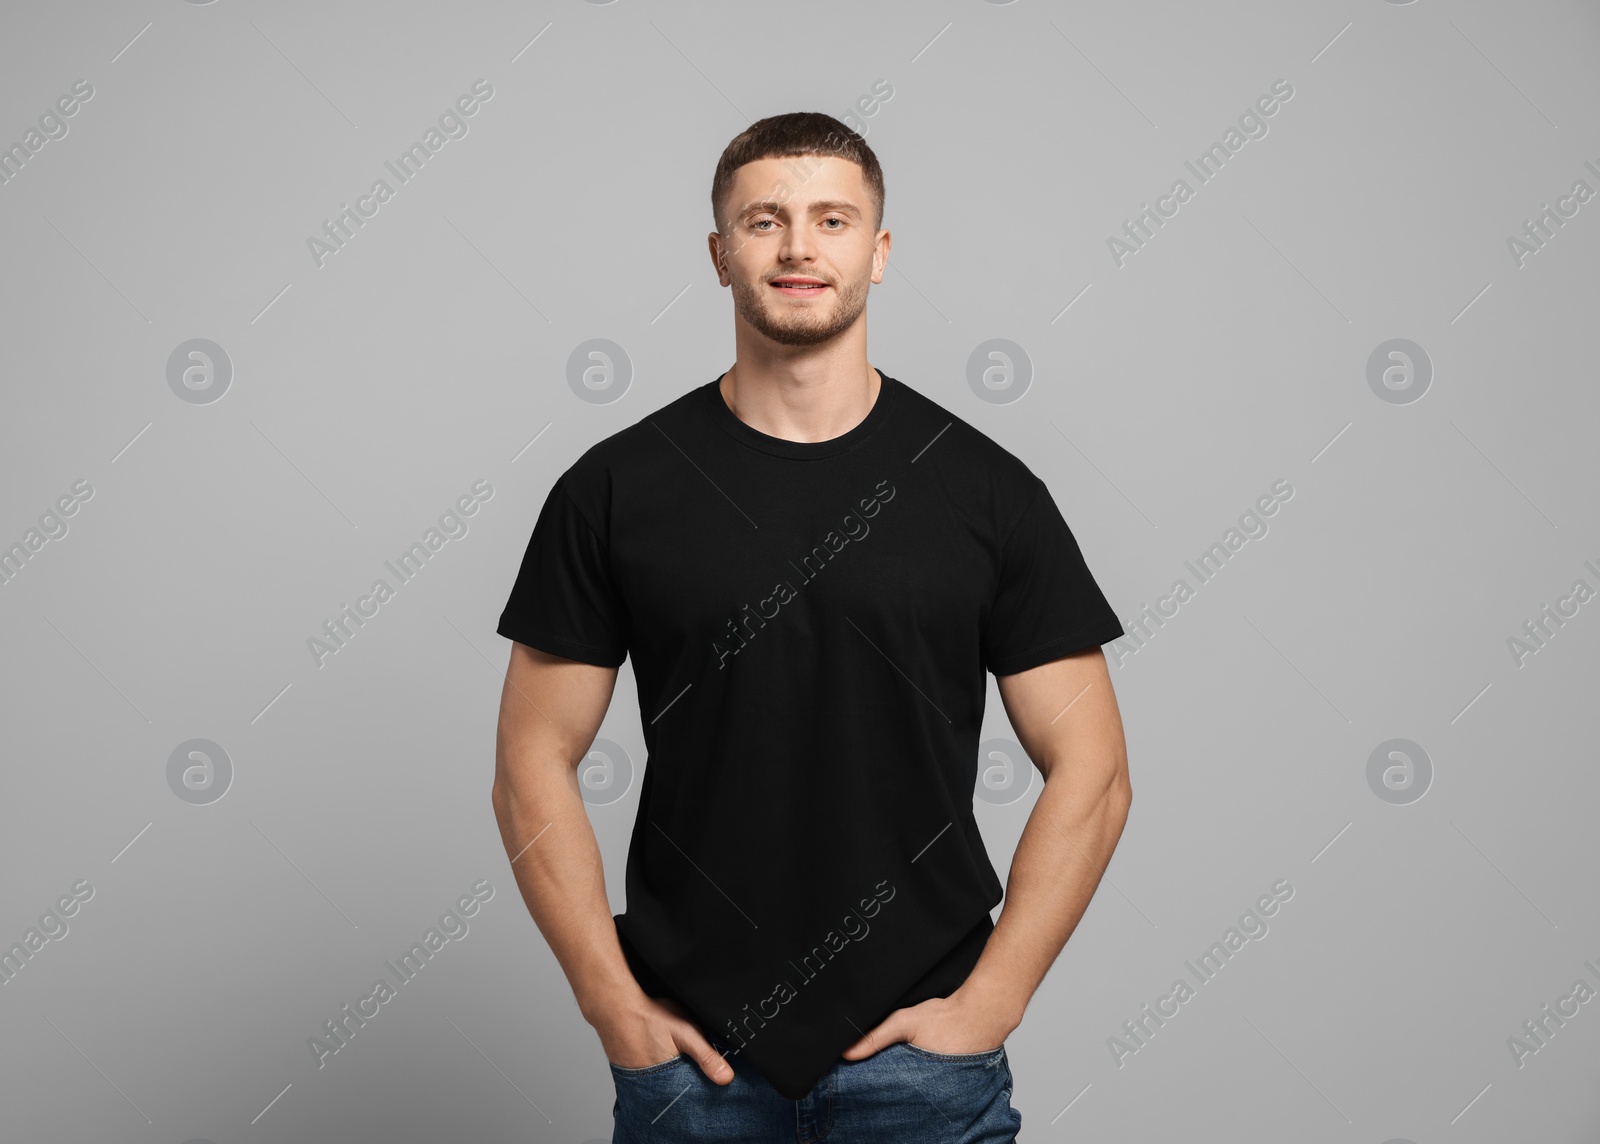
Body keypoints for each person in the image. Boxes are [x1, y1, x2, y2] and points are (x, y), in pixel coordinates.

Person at [492, 111, 1131, 1143]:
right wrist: (608, 1001)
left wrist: (992, 1002)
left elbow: (1093, 769)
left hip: (922, 1068)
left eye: (831, 220)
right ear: (718, 254)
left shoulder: (986, 492)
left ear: (877, 253)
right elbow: (531, 758)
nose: (797, 247)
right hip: (690, 1068)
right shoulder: (614, 490)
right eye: (764, 220)